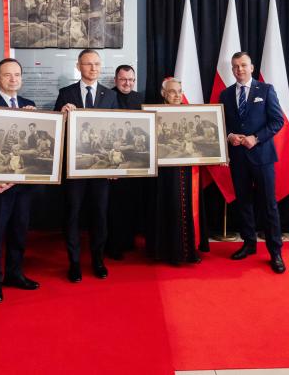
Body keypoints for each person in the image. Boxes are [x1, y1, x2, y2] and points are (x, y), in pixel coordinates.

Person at [54, 49, 118, 282]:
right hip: (74, 167)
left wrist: (114, 166)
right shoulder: (66, 93)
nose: (93, 68)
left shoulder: (110, 95)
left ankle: (98, 260)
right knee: (72, 213)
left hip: (101, 168)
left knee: (100, 214)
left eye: (97, 64)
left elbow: (114, 133)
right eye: (88, 64)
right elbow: (56, 128)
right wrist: (61, 114)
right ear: (78, 66)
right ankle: (74, 262)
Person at [0, 58, 40, 304]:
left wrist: (37, 122)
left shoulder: (29, 105)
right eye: (7, 75)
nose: (13, 79)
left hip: (23, 184)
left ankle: (15, 274)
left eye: (17, 74)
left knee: (19, 231)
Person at [220, 51, 286, 274]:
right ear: (232, 69)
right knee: (244, 203)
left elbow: (277, 121)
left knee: (269, 205)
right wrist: (230, 136)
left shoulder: (265, 90)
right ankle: (249, 244)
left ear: (252, 67)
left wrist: (255, 138)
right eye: (235, 66)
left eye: (243, 65)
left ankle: (275, 252)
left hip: (263, 158)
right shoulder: (225, 94)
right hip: (238, 159)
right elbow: (222, 125)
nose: (239, 69)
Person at [147, 78, 202, 264]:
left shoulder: (190, 113)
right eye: (172, 92)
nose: (177, 95)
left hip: (186, 168)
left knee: (185, 206)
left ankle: (187, 251)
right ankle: (166, 252)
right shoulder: (153, 114)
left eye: (179, 91)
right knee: (167, 206)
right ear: (163, 94)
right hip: (163, 173)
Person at [106, 65, 144, 260]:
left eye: (131, 80)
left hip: (135, 162)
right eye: (123, 79)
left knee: (132, 202)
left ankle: (129, 241)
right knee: (115, 205)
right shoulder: (107, 97)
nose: (127, 83)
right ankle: (114, 245)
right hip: (114, 162)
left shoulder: (140, 98)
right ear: (115, 80)